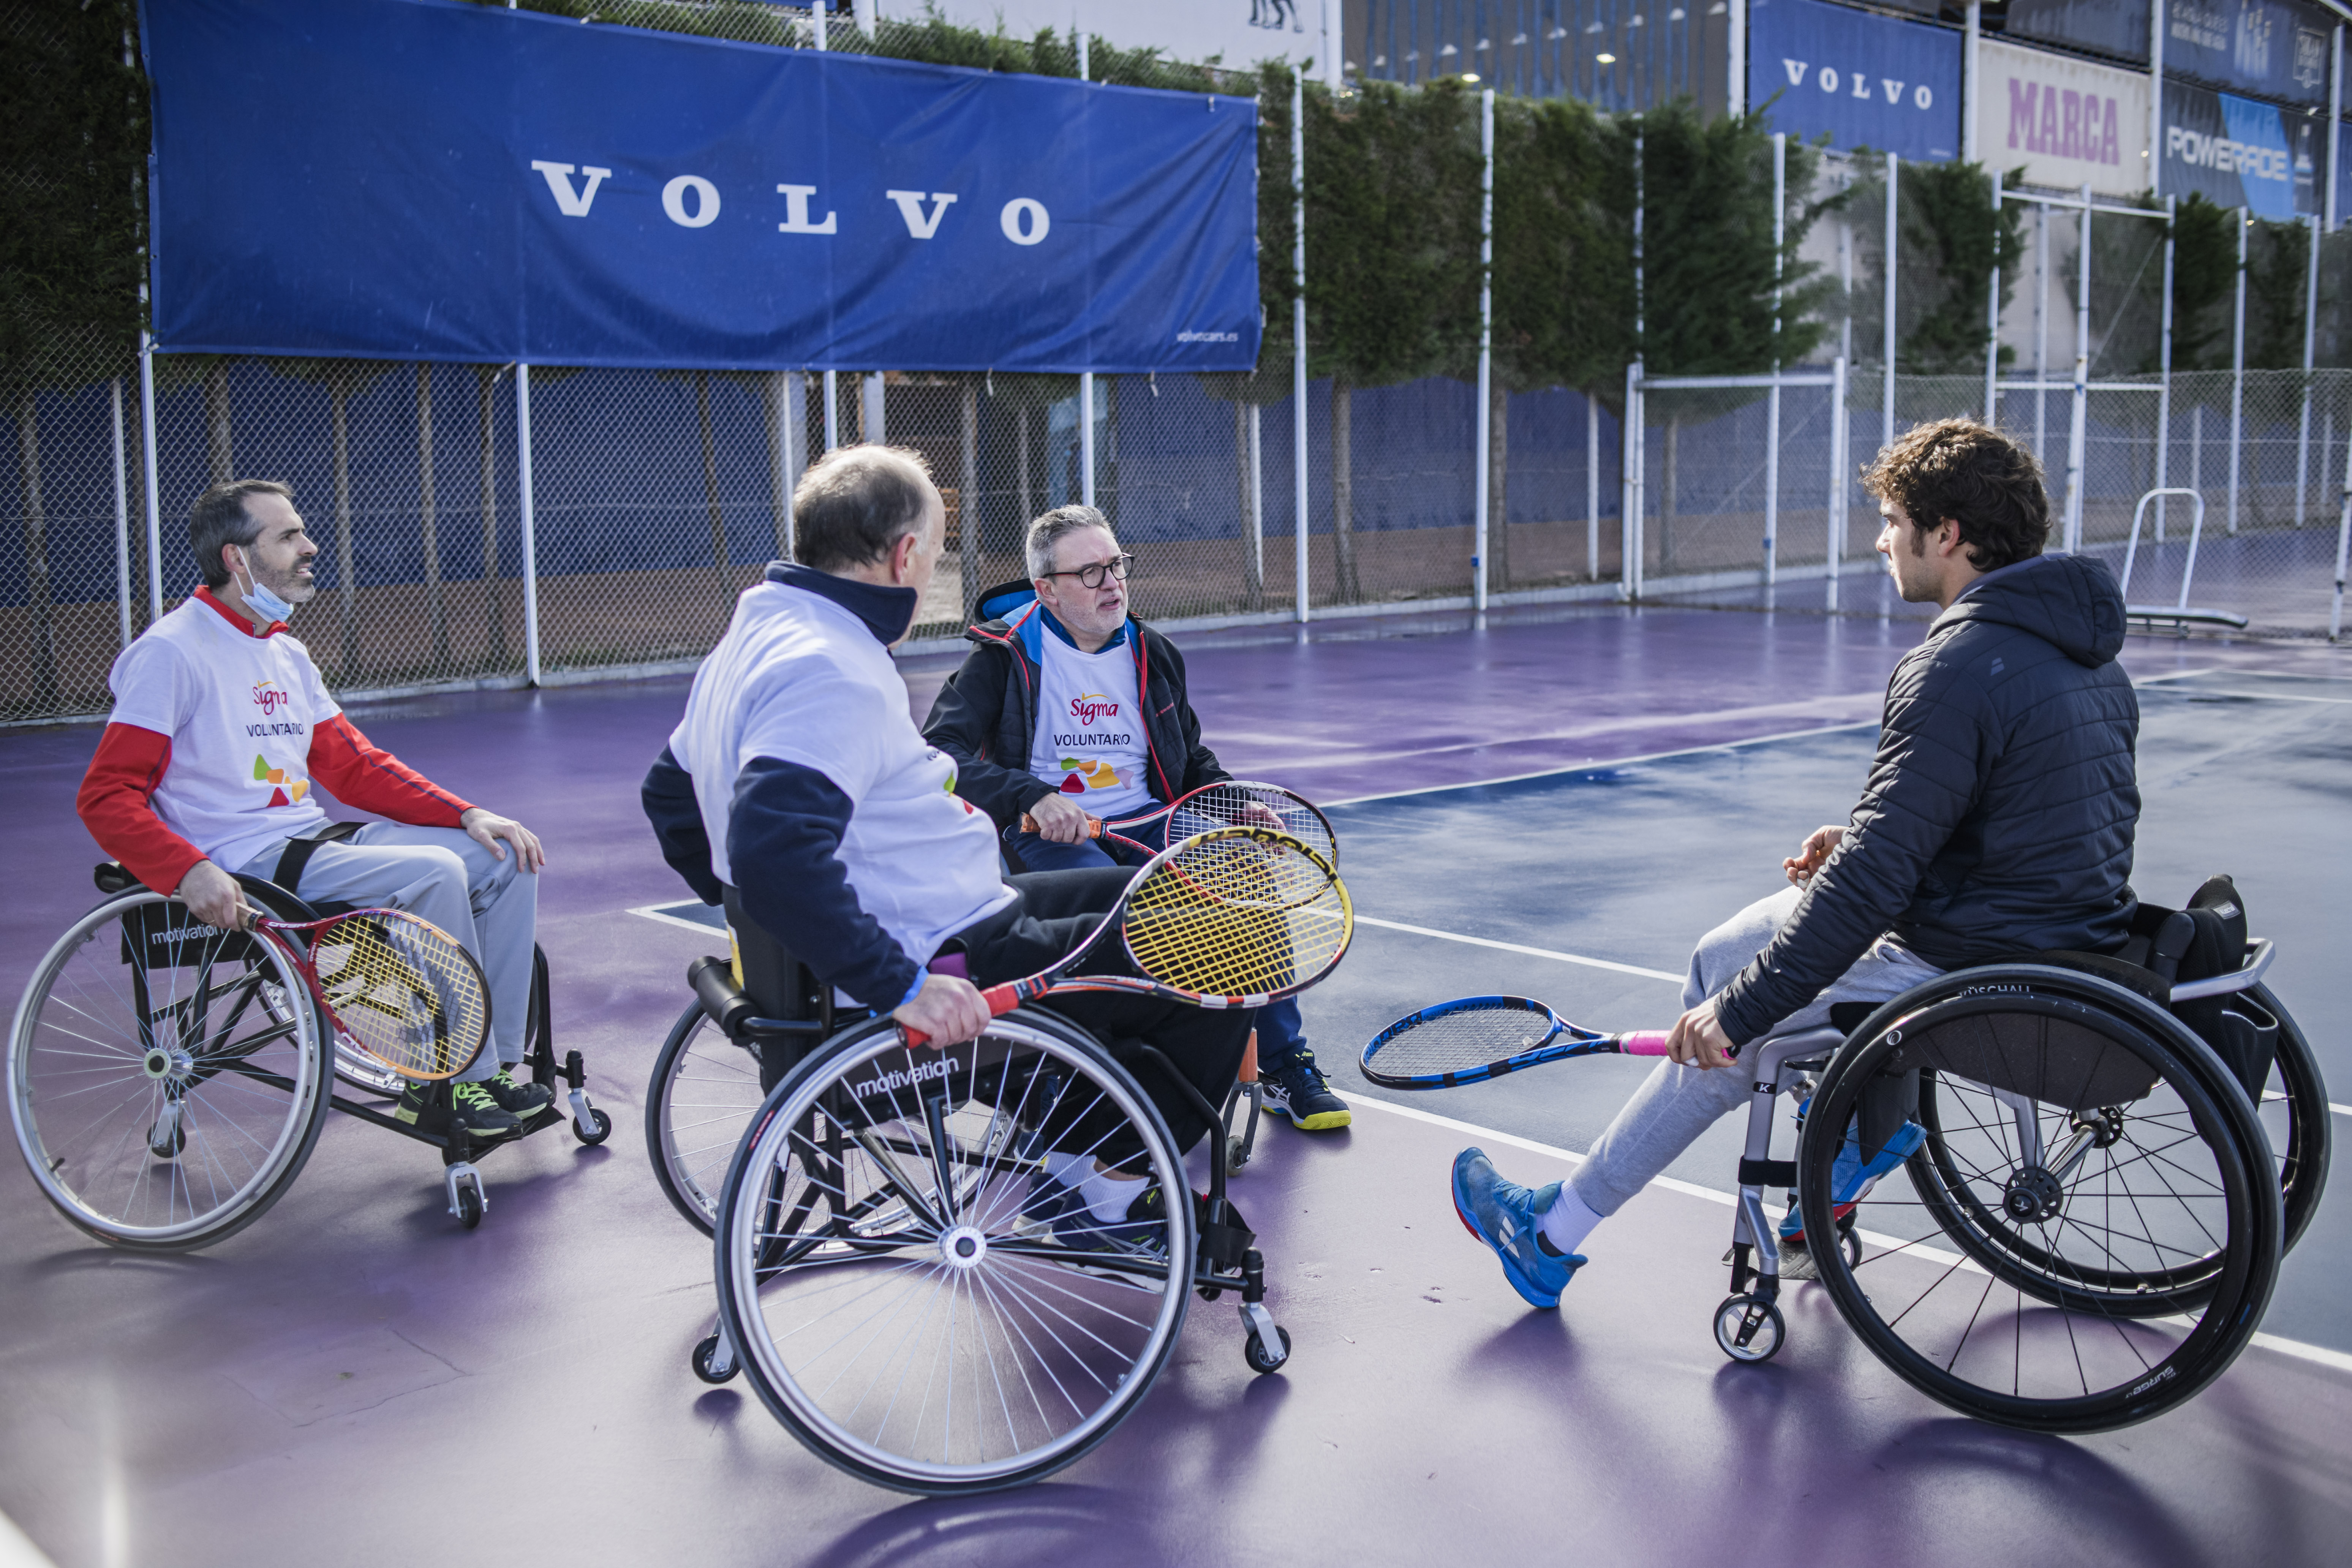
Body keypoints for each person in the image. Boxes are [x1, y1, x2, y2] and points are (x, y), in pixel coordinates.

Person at [1453, 419, 2142, 1308]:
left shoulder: (1959, 664)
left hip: (1958, 961)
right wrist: (1856, 842)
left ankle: (1552, 1233)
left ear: (1949, 536)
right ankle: (1841, 1149)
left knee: (1735, 1030)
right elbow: (2019, 824)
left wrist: (1740, 1015)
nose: (1881, 540)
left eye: (1894, 521)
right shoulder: (2086, 658)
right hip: (2046, 936)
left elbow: (1870, 891)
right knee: (1716, 955)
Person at [639, 448, 1256, 1252]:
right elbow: (772, 849)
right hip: (946, 951)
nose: (933, 564)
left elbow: (670, 797)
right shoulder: (830, 670)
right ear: (904, 556)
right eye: (936, 549)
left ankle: (1073, 1150)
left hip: (954, 909)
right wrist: (895, 982)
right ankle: (1099, 1183)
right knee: (1228, 948)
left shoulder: (759, 637)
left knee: (1173, 897)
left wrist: (775, 942)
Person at [75, 480, 550, 1134]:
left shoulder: (285, 652)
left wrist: (468, 813)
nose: (310, 547)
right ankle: (443, 1082)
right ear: (237, 559)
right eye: (288, 536)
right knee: (437, 872)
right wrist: (187, 872)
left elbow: (353, 768)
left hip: (311, 842)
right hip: (242, 864)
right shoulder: (170, 653)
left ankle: (490, 1069)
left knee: (506, 857)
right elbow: (106, 796)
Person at [920, 504, 1351, 1132]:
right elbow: (941, 753)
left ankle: (1284, 1063)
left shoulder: (1153, 652)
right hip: (1048, 833)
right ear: (1047, 590)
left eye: (1117, 566)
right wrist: (1029, 796)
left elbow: (1189, 754)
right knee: (1122, 919)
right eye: (1091, 573)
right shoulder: (1001, 659)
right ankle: (1104, 1080)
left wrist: (1231, 801)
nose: (1113, 584)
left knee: (1246, 890)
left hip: (1154, 821)